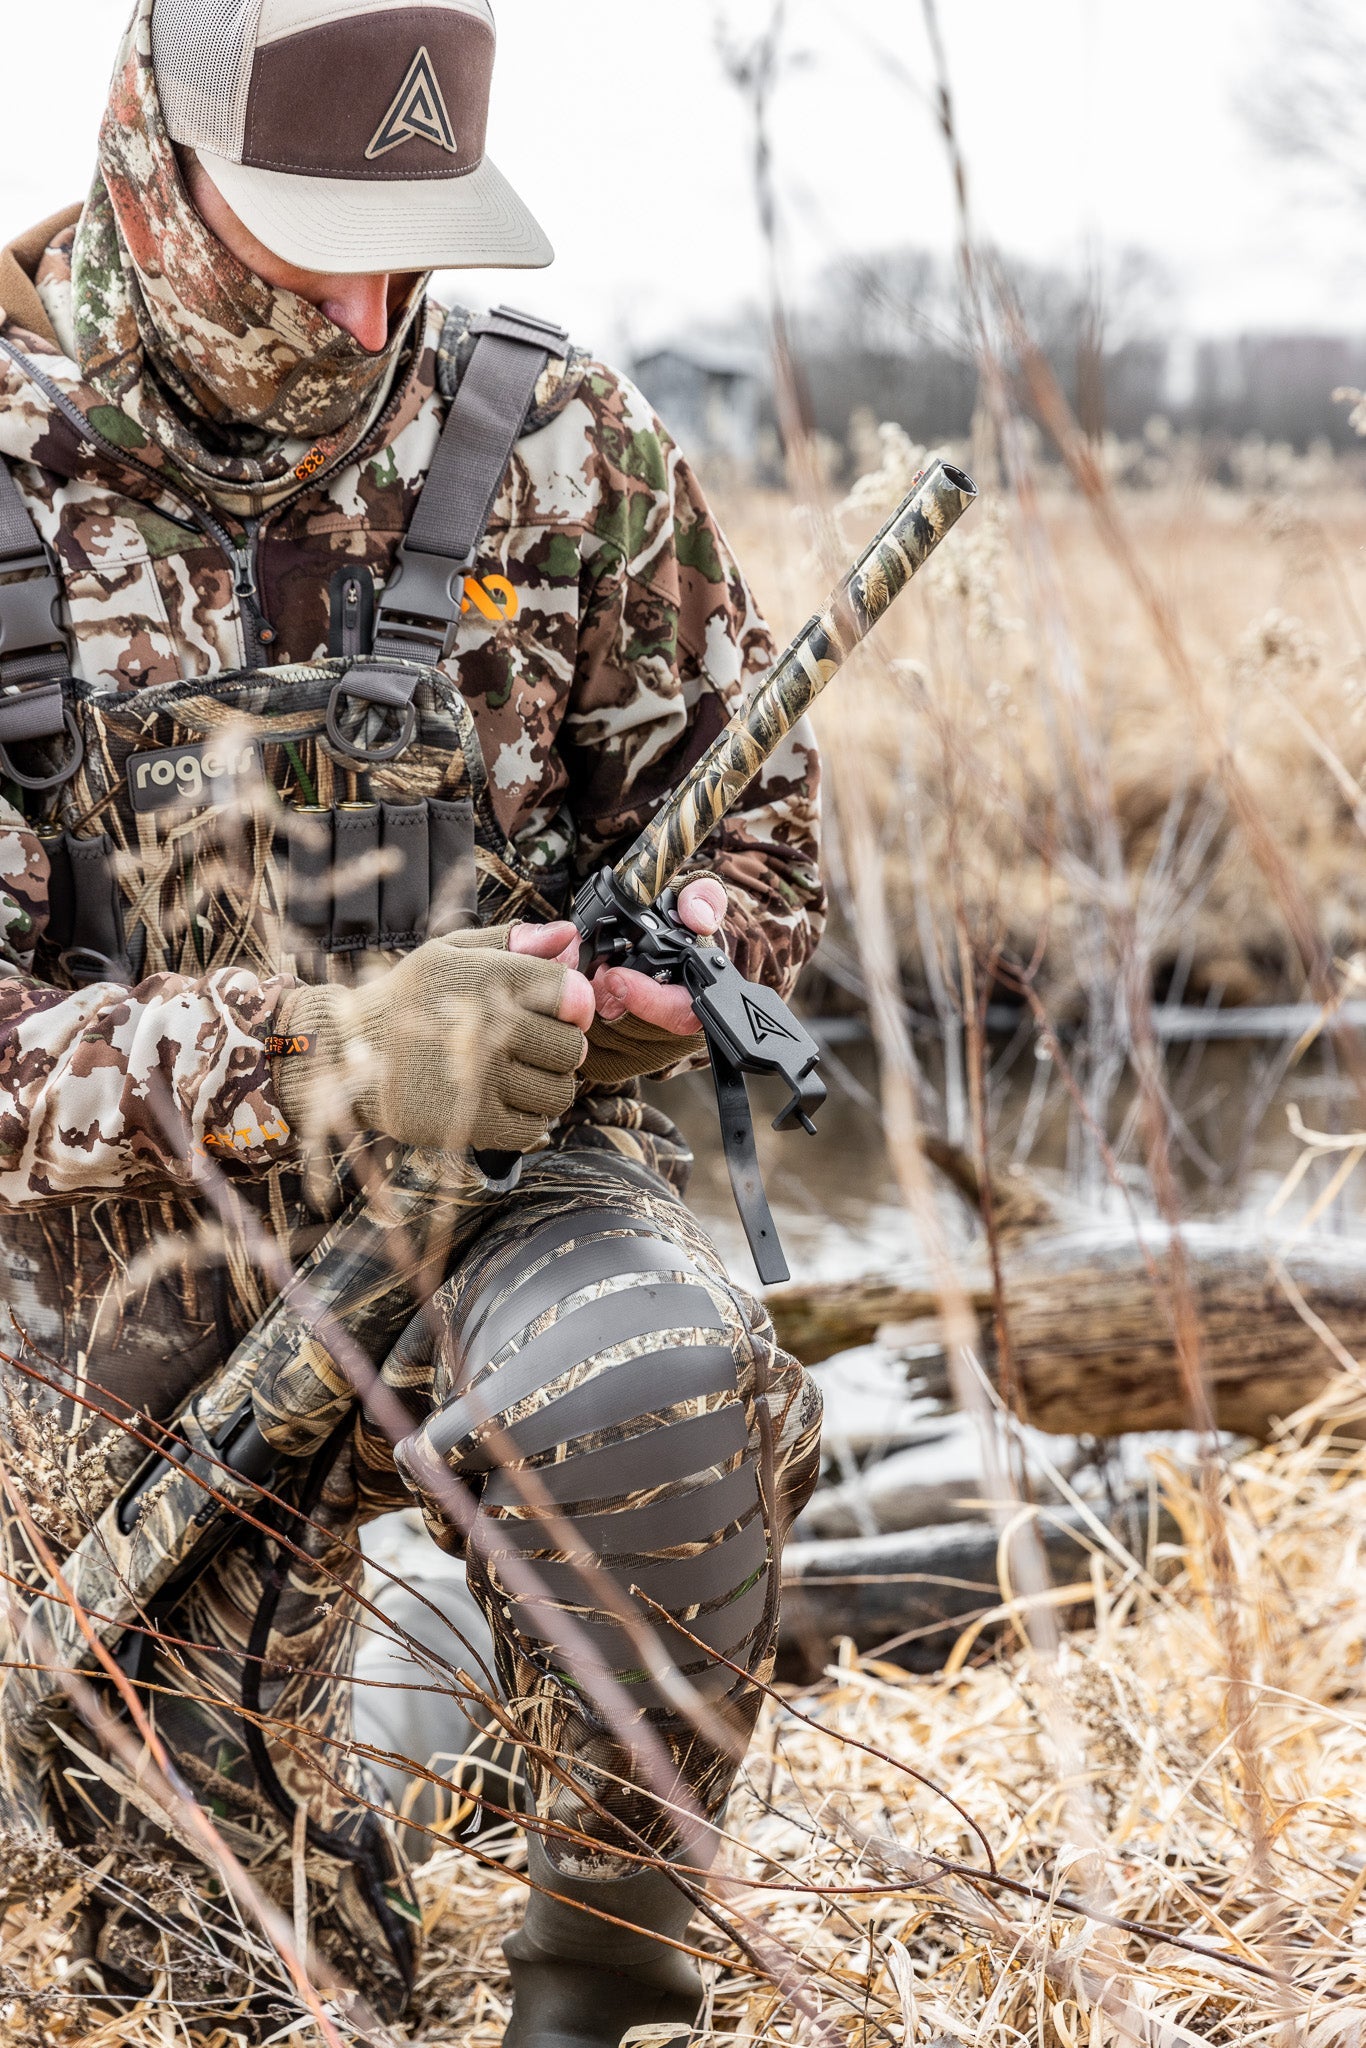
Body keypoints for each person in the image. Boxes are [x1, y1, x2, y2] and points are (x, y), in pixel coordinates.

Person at [0, 0, 825, 2039]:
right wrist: (333, 1054)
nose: (367, 313)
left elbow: (757, 820)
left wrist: (684, 962)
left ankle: (599, 1985)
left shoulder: (560, 441)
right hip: (105, 1300)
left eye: (407, 250)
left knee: (657, 1383)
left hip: (504, 1205)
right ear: (154, 166)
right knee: (253, 1987)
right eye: (307, 248)